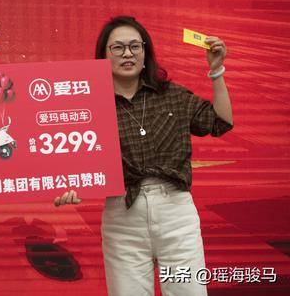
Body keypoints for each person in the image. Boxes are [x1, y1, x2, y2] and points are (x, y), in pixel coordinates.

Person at [55, 16, 233, 296]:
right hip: (122, 215)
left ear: (145, 52)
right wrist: (67, 187)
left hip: (176, 213)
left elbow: (220, 122)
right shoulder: (88, 106)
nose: (127, 53)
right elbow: (72, 160)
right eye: (118, 47)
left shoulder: (171, 94)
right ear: (103, 55)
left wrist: (216, 71)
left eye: (135, 46)